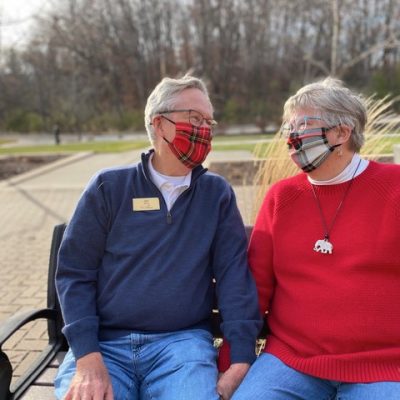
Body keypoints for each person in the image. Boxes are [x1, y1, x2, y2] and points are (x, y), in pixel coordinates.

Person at [54, 75, 262, 400]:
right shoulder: (109, 188)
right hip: (106, 345)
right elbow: (75, 274)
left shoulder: (215, 194)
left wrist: (241, 358)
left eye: (209, 121)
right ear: (160, 125)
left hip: (182, 345)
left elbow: (234, 278)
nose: (205, 129)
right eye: (195, 119)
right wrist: (87, 356)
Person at [219, 78, 400, 399]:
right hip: (292, 361)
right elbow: (255, 288)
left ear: (343, 133)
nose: (292, 137)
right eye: (289, 127)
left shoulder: (394, 189)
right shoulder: (281, 198)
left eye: (304, 126)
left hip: (384, 365)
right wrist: (234, 359)